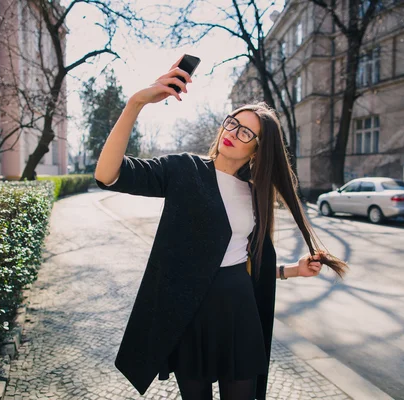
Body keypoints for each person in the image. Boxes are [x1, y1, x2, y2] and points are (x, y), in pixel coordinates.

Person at [93, 57, 349, 400]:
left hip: (238, 308)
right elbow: (108, 175)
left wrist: (293, 271)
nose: (233, 133)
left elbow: (240, 261)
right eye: (232, 123)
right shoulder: (184, 170)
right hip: (189, 311)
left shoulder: (255, 192)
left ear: (259, 148)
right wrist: (136, 103)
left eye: (246, 132)